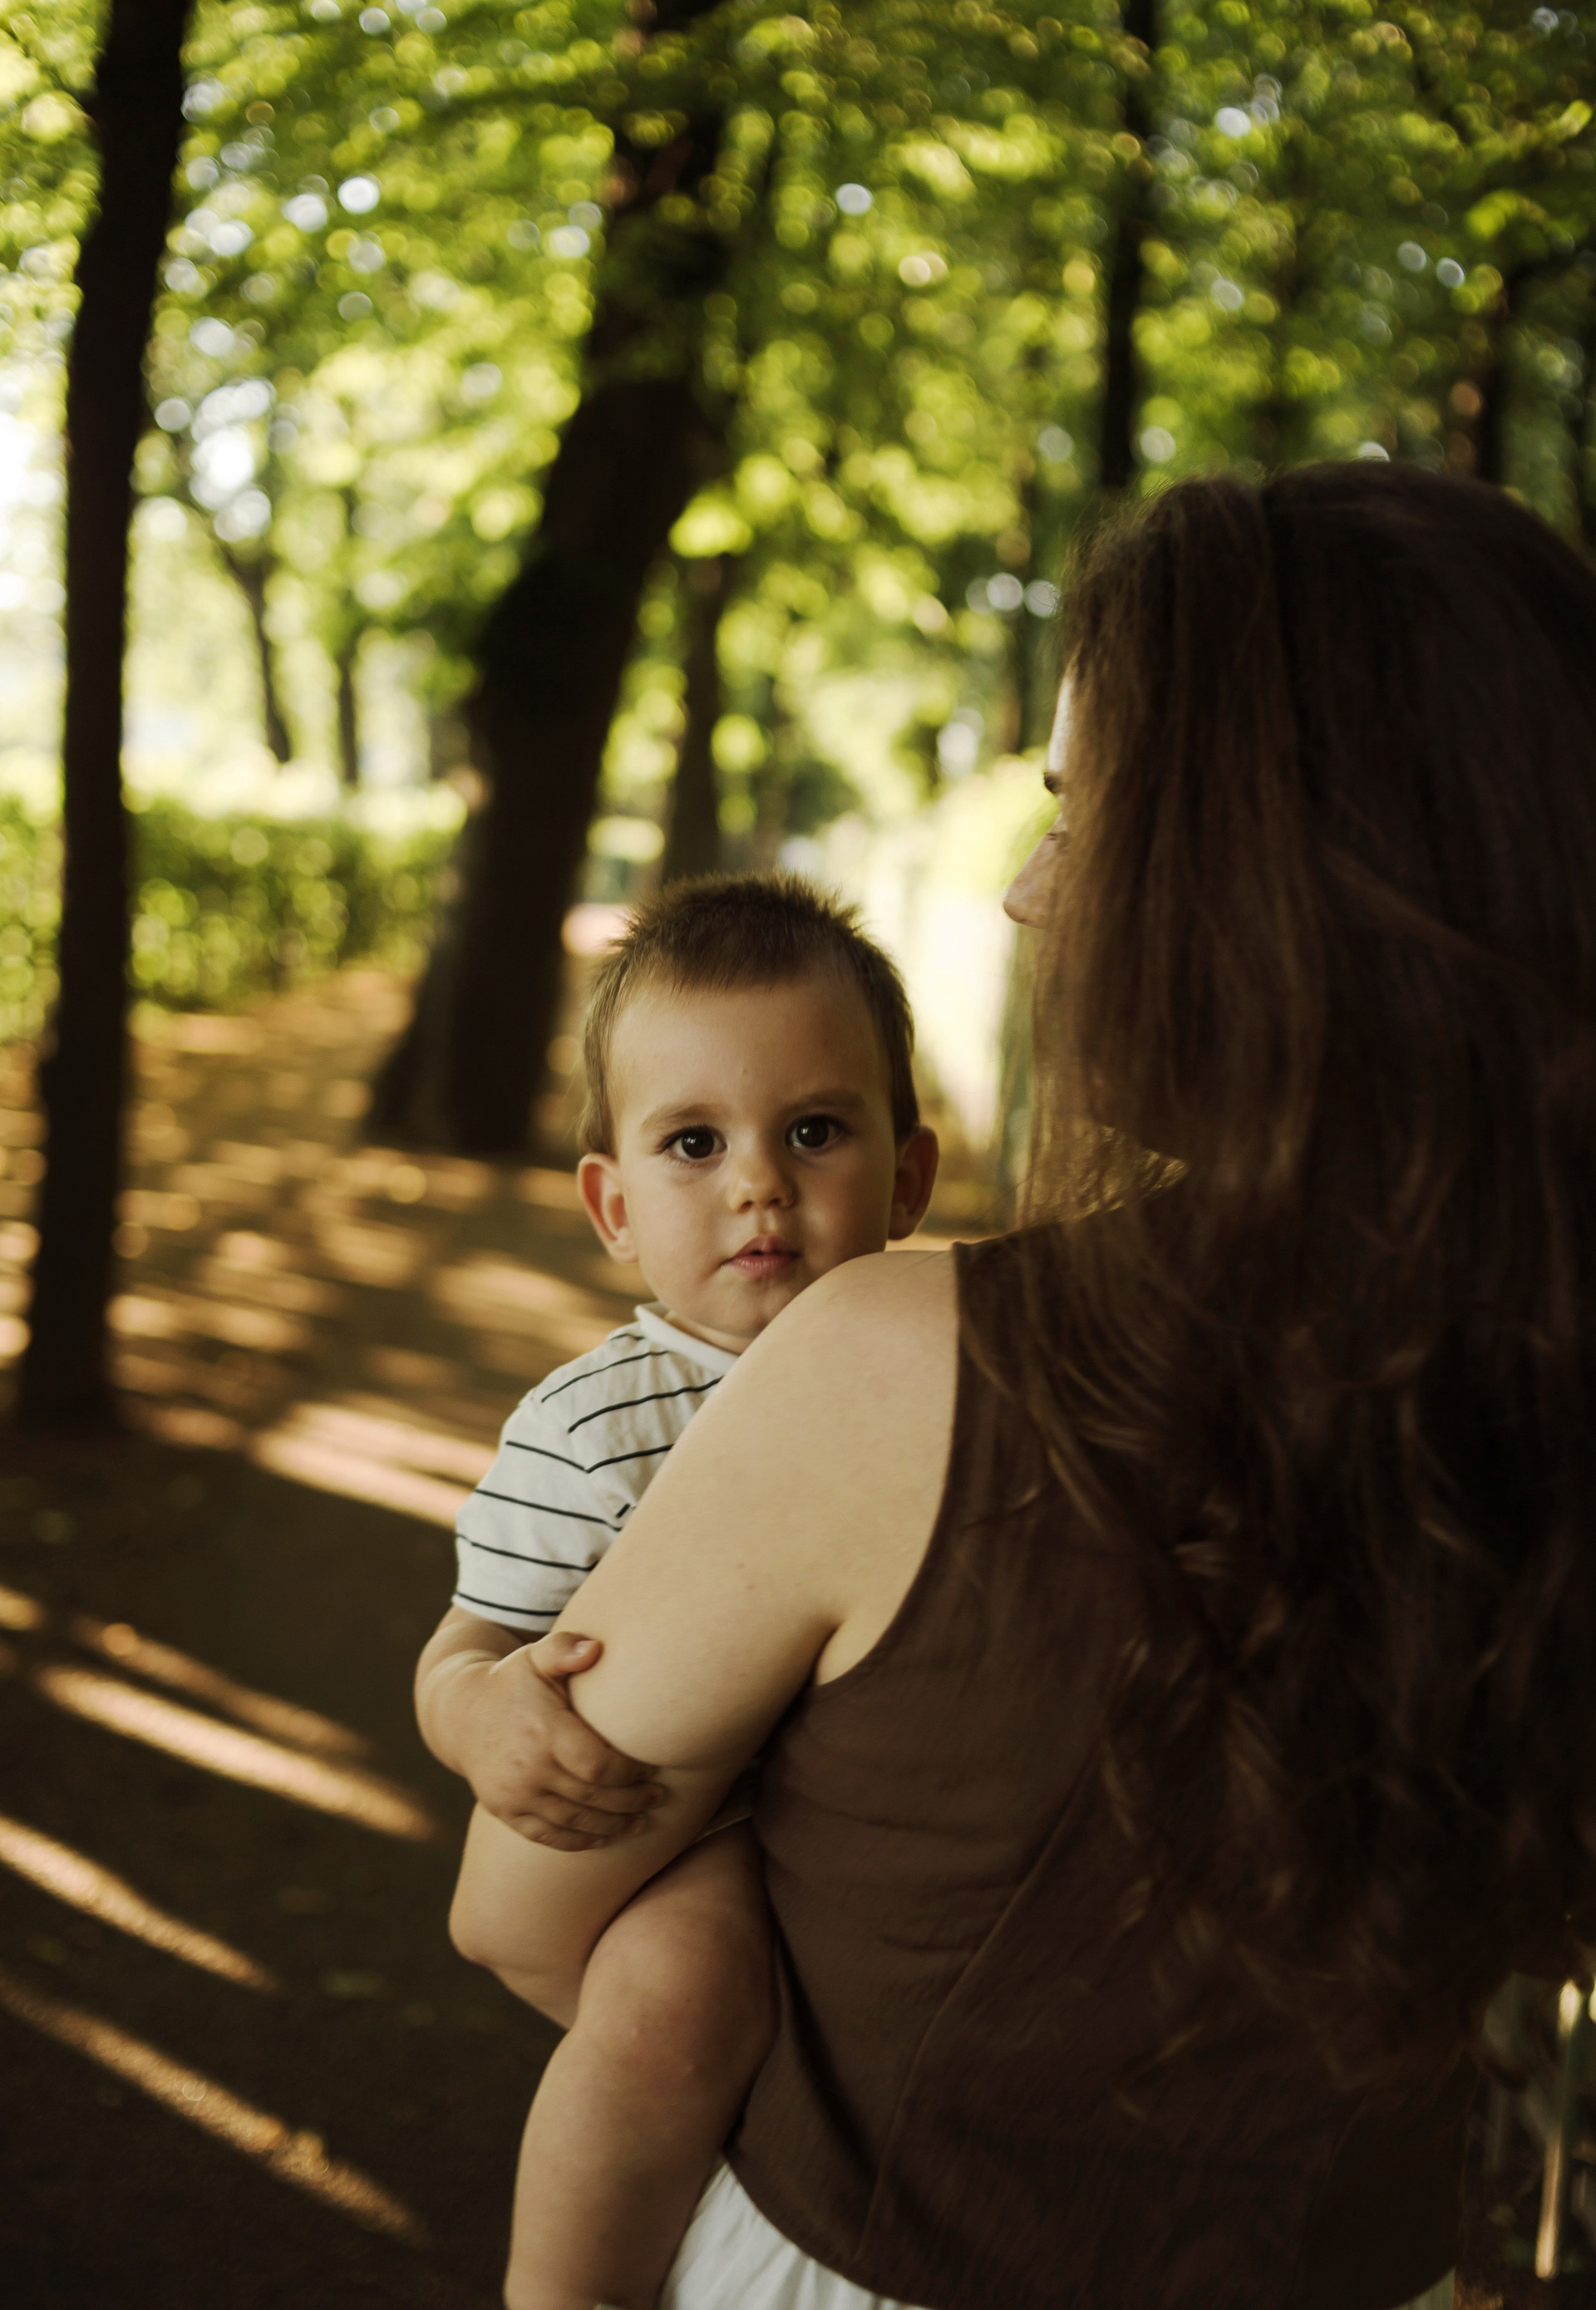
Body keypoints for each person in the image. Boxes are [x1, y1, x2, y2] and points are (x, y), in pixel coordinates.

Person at [428, 461, 1596, 2310]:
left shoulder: (908, 1364)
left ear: (1272, 882)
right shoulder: (1539, 1401)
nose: (1028, 893)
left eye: (1083, 811)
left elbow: (515, 1909)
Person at [415, 874, 939, 2310]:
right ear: (615, 1206)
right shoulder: (595, 1424)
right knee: (672, 2005)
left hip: (876, 1825)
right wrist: (477, 1715)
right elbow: (469, 1638)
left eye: (815, 1131)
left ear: (908, 1178)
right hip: (697, 1840)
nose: (759, 1183)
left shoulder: (936, 1374)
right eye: (694, 1143)